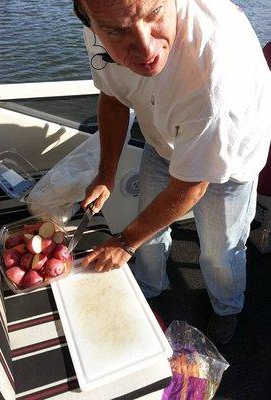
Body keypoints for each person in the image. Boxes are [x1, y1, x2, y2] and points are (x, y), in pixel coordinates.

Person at [73, 0, 271, 344]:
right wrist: (106, 173)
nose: (146, 48)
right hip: (164, 137)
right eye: (117, 31)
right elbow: (115, 98)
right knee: (145, 237)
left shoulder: (214, 70)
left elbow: (191, 186)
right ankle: (149, 289)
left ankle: (227, 308)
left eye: (154, 13)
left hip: (230, 154)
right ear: (88, 20)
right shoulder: (101, 20)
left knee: (219, 251)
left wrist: (123, 241)